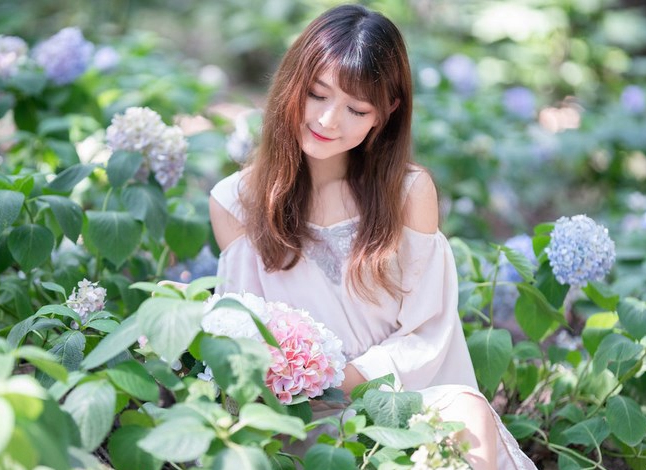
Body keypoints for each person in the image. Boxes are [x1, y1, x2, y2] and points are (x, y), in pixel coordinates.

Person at [209, 4, 536, 469]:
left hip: (397, 401)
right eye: (317, 95)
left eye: (356, 108)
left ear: (385, 114)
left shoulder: (406, 192)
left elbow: (428, 329)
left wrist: (347, 375)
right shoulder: (234, 204)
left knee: (467, 412)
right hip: (303, 419)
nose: (327, 121)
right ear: (291, 83)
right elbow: (242, 338)